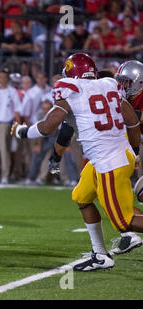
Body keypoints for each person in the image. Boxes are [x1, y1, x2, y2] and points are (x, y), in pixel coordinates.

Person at [12, 53, 143, 271]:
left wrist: (22, 132)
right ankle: (100, 255)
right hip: (115, 155)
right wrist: (134, 150)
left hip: (109, 161)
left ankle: (105, 253)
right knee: (81, 197)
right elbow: (132, 121)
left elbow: (47, 127)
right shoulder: (109, 84)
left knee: (124, 222)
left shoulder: (70, 89)